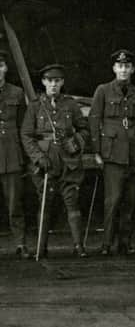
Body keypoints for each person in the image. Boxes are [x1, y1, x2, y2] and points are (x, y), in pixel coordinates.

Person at [20, 64, 89, 258]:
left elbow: (84, 129)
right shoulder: (35, 106)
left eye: (57, 81)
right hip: (45, 162)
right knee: (45, 202)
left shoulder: (71, 105)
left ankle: (78, 246)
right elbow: (26, 135)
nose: (53, 84)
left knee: (72, 201)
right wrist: (38, 157)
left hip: (69, 160)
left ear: (62, 82)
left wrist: (76, 142)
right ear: (43, 82)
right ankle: (41, 247)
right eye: (50, 81)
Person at [89, 49, 135, 255]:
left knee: (130, 202)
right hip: (112, 155)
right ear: (114, 68)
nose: (123, 69)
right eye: (120, 66)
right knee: (112, 201)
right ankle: (106, 244)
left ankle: (125, 243)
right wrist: (97, 151)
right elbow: (94, 121)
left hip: (132, 155)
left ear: (132, 69)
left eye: (127, 66)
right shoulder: (103, 91)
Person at [0, 50, 29, 259]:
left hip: (11, 153)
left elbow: (23, 126)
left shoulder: (17, 93)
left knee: (14, 203)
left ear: (5, 68)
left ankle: (20, 243)